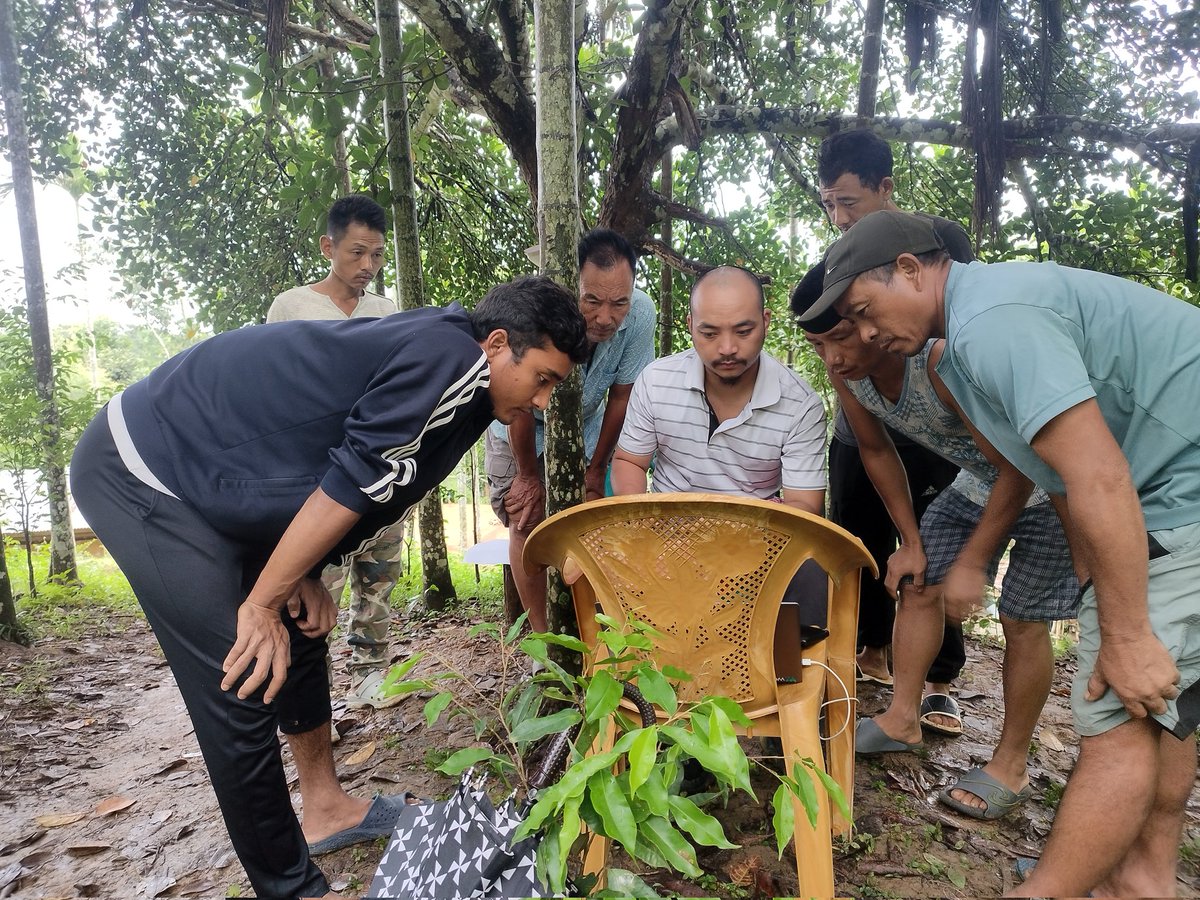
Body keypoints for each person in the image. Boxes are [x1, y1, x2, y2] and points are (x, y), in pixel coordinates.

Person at [70, 277, 589, 900]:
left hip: (227, 476)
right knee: (239, 674)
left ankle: (325, 809)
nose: (542, 401)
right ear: (499, 343)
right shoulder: (451, 361)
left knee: (302, 623)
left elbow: (372, 478)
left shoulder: (473, 385)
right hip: (144, 466)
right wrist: (260, 602)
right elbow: (355, 474)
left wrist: (308, 574)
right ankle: (292, 889)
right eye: (543, 379)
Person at [802, 208, 1200, 898]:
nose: (862, 336)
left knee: (1121, 700)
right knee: (1166, 700)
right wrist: (1092, 584)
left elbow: (1094, 474)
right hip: (1158, 483)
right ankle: (1143, 874)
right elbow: (1059, 467)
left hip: (1176, 490)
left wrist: (1126, 628)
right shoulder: (969, 329)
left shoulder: (988, 325)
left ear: (909, 269)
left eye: (865, 312)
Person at [795, 272, 1078, 820]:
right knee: (915, 582)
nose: (831, 358)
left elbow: (1018, 465)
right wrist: (912, 540)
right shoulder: (850, 377)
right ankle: (902, 718)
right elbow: (876, 452)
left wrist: (974, 562)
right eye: (817, 345)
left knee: (1023, 618)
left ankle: (1010, 763)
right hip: (975, 483)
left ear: (868, 321)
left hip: (1050, 481)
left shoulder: (939, 362)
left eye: (840, 338)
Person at [814, 129, 970, 731]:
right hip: (863, 428)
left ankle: (939, 681)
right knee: (863, 546)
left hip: (937, 431)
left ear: (886, 189)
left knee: (936, 549)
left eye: (848, 202)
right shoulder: (834, 262)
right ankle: (872, 654)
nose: (837, 216)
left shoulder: (939, 241)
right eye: (828, 203)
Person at [612, 265, 829, 633]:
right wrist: (646, 531)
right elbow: (629, 461)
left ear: (766, 321)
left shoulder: (800, 404)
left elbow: (804, 508)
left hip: (756, 543)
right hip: (667, 534)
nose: (727, 348)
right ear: (689, 325)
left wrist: (735, 550)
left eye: (743, 331)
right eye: (709, 333)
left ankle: (791, 681)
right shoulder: (656, 381)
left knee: (810, 567)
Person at [266, 194, 405, 709]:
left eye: (377, 255)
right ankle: (314, 682)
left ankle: (372, 671)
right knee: (318, 579)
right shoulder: (291, 307)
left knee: (381, 571)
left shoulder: (385, 312)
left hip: (380, 464)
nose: (368, 266)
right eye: (356, 253)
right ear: (329, 246)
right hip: (319, 470)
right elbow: (276, 392)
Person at [485, 228, 655, 631]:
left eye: (619, 303)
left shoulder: (642, 314)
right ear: (573, 284)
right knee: (527, 522)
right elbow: (523, 399)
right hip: (519, 422)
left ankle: (595, 634)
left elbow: (621, 396)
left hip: (592, 429)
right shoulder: (542, 312)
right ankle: (544, 647)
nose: (605, 317)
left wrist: (596, 471)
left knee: (597, 524)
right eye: (592, 300)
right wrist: (528, 475)